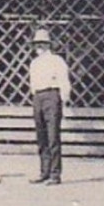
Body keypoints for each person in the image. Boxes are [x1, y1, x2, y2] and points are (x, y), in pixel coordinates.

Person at [28, 27, 72, 185]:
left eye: (42, 43)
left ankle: (55, 174)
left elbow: (64, 82)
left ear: (48, 45)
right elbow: (33, 84)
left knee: (53, 136)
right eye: (37, 44)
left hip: (52, 95)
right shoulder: (34, 63)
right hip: (38, 97)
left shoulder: (57, 61)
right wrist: (35, 97)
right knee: (41, 137)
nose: (39, 47)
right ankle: (44, 171)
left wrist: (63, 101)